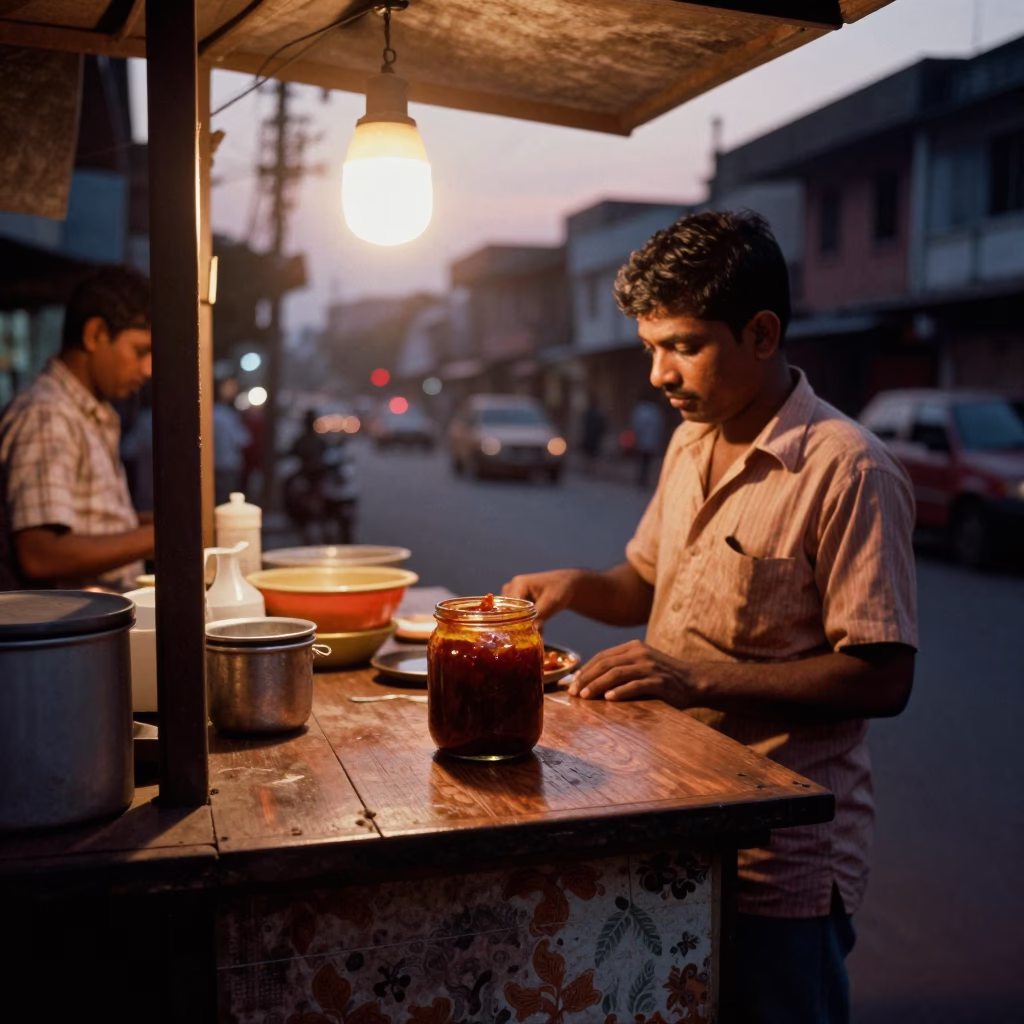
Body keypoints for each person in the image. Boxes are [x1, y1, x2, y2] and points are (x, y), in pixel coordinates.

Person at [502, 210, 917, 1024]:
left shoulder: (849, 469)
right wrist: (577, 586)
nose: (658, 373)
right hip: (671, 820)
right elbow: (648, 583)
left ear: (761, 334)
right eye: (650, 346)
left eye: (683, 345)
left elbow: (885, 674)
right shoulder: (692, 441)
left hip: (779, 862)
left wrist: (696, 678)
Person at [0, 265, 155, 590]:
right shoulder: (48, 412)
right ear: (95, 334)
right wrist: (159, 537)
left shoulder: (88, 412)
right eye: (140, 351)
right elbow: (40, 553)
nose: (148, 369)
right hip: (72, 633)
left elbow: (85, 521)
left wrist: (141, 524)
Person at [212, 377, 252, 505]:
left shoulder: (224, 413)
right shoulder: (226, 415)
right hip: (226, 465)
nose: (232, 391)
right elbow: (243, 440)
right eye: (228, 387)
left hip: (220, 465)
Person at [630, 392, 665, 487]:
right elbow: (659, 427)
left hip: (643, 440)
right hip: (651, 441)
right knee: (647, 462)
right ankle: (643, 479)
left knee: (642, 461)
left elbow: (637, 426)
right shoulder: (655, 411)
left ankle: (641, 479)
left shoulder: (641, 410)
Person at [578, 393, 607, 473]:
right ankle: (591, 469)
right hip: (594, 437)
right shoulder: (597, 413)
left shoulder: (589, 413)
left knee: (589, 455)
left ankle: (589, 469)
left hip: (590, 436)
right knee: (592, 454)